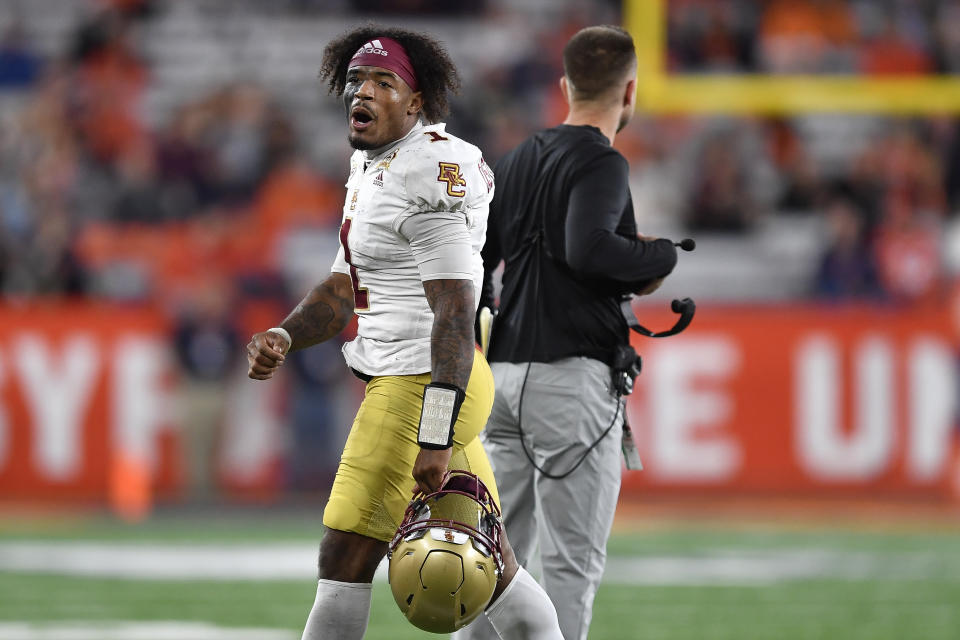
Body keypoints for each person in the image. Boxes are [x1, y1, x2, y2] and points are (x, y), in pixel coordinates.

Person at [245, 26, 563, 640]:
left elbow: (452, 313)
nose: (361, 93)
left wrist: (436, 434)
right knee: (494, 569)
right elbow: (341, 292)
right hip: (420, 379)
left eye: (382, 82)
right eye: (357, 81)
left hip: (421, 384)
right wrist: (285, 335)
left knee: (344, 558)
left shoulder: (431, 168)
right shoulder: (373, 164)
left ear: (416, 103)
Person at [455, 26, 679, 640]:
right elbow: (589, 250)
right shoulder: (603, 161)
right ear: (631, 90)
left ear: (565, 86)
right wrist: (658, 258)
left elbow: (475, 256)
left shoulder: (520, 156)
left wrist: (492, 314)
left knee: (491, 565)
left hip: (502, 381)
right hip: (569, 384)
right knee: (568, 569)